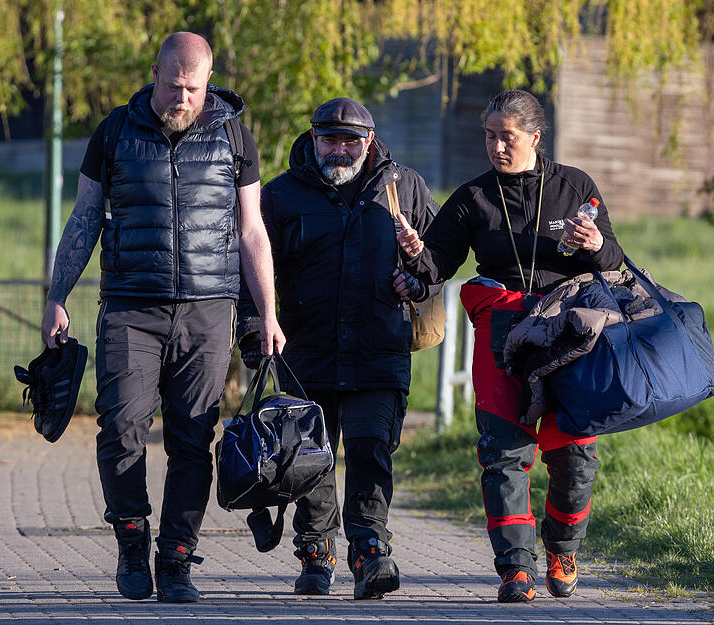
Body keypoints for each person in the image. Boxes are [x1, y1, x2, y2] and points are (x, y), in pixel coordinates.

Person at [39, 32, 284, 603]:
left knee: (193, 438)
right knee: (121, 427)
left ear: (208, 83)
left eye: (193, 89)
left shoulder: (232, 134)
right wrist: (57, 296)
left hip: (207, 311)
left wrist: (268, 313)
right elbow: (83, 219)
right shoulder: (115, 133)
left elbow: (252, 230)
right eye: (173, 86)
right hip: (130, 307)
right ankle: (131, 540)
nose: (182, 99)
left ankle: (176, 561)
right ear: (154, 73)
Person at [396, 89, 624, 602]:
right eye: (490, 136)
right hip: (501, 332)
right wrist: (415, 255)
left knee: (575, 457)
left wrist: (595, 246)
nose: (497, 147)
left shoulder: (576, 187)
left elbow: (613, 261)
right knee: (504, 453)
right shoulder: (473, 197)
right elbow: (435, 267)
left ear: (536, 137)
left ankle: (562, 548)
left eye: (508, 137)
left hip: (568, 333)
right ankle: (515, 569)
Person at [237, 97, 439, 599]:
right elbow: (251, 270)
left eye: (351, 140)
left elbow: (438, 265)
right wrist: (252, 329)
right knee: (308, 456)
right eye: (330, 139)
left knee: (372, 449)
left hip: (378, 349)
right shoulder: (282, 196)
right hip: (306, 352)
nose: (340, 149)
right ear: (313, 138)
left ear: (369, 141)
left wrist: (415, 276)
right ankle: (316, 550)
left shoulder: (404, 188)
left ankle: (370, 551)